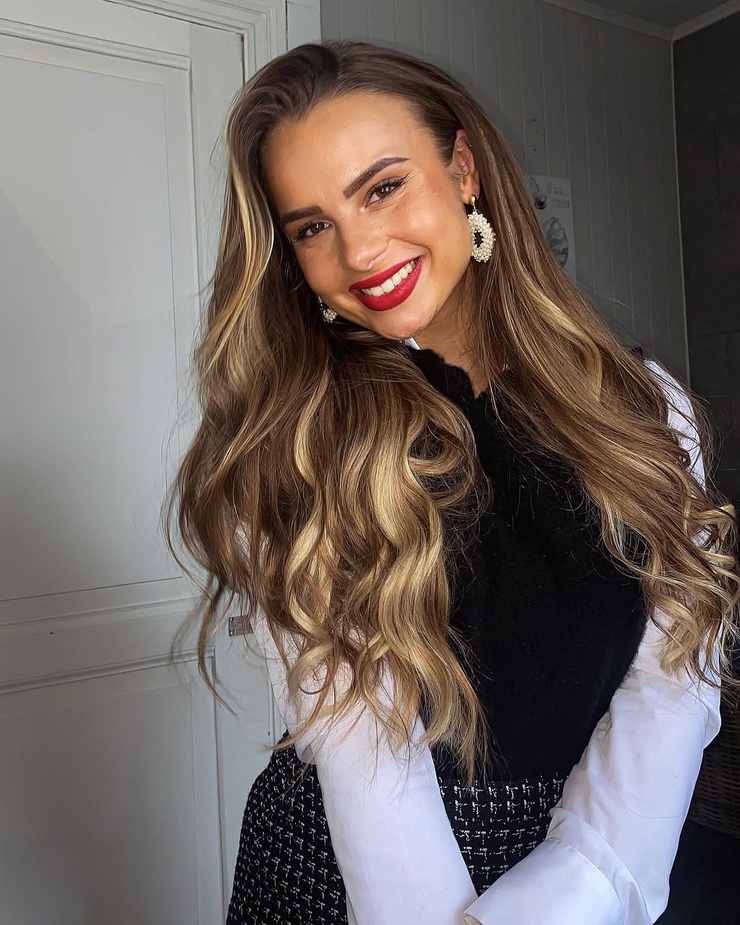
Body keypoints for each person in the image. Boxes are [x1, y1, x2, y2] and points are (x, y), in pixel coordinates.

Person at [164, 40, 740, 925]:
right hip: (348, 877)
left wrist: (580, 888)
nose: (359, 250)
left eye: (382, 188)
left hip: (601, 863)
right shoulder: (299, 442)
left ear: (463, 169)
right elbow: (362, 752)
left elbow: (674, 679)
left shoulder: (644, 406)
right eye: (312, 227)